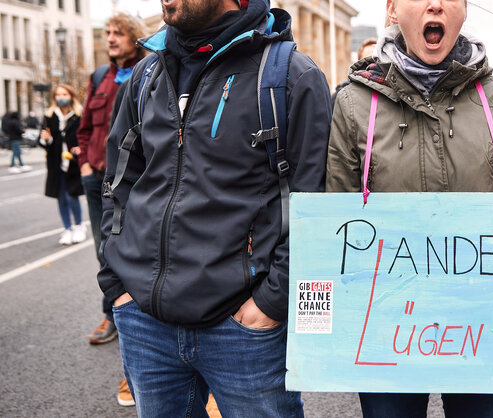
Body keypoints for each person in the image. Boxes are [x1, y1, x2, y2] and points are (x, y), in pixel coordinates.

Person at [98, 0, 331, 415]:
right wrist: (117, 283)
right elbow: (118, 182)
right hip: (145, 322)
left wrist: (270, 305)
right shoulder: (147, 74)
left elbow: (314, 202)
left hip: (243, 329)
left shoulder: (292, 76)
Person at [327, 0, 493, 416]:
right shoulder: (354, 105)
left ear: (463, 12)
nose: (435, 4)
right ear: (392, 10)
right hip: (388, 327)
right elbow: (336, 225)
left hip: (482, 324)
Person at [75, 13, 146, 350]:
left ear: (134, 37)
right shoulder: (100, 76)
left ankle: (141, 317)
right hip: (98, 178)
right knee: (103, 249)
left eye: (119, 32)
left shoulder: (150, 70)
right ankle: (112, 313)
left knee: (139, 249)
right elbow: (85, 125)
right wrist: (85, 165)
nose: (111, 38)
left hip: (134, 181)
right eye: (107, 32)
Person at [38, 85, 86, 246]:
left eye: (64, 94)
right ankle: (67, 228)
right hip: (56, 164)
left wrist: (81, 148)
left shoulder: (80, 114)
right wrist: (46, 139)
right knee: (61, 197)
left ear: (71, 96)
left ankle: (79, 226)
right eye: (58, 95)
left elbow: (86, 135)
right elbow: (45, 142)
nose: (61, 97)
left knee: (71, 195)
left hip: (73, 163)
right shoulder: (49, 115)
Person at [332, 38, 378, 106]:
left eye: (376, 60)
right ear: (359, 64)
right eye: (367, 61)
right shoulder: (343, 95)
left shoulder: (393, 93)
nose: (372, 66)